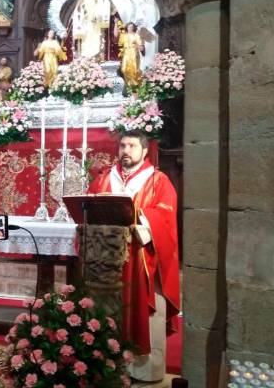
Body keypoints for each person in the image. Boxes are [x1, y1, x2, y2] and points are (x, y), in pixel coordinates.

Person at [87, 130, 180, 383]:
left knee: (144, 315)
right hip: (106, 261)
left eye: (131, 146)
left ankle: (142, 370)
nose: (125, 151)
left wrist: (141, 217)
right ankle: (107, 364)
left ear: (144, 150)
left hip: (141, 259)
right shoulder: (105, 178)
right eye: (122, 146)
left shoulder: (157, 180)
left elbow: (166, 216)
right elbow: (87, 207)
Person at [117, 22, 145, 91]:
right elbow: (117, 38)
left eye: (132, 27)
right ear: (127, 27)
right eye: (129, 27)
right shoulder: (124, 36)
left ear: (134, 28)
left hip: (134, 54)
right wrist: (116, 24)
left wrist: (138, 46)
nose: (130, 28)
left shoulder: (136, 36)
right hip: (126, 54)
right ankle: (129, 84)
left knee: (135, 70)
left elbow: (141, 47)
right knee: (124, 69)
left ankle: (135, 87)